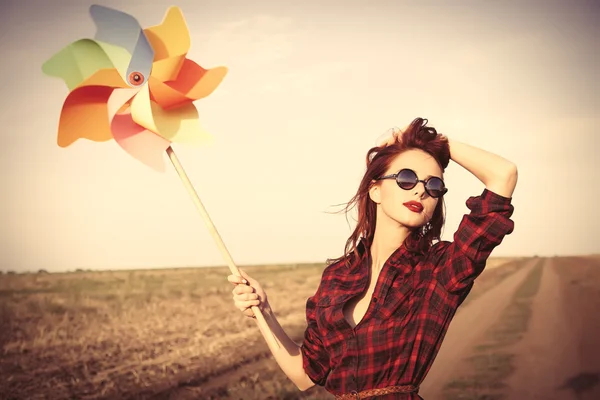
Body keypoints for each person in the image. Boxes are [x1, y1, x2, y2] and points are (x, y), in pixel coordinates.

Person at [228, 117, 517, 399]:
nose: (420, 189)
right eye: (406, 178)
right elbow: (304, 375)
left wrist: (436, 142)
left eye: (434, 186)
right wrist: (263, 312)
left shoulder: (441, 269)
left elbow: (503, 174)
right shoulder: (338, 276)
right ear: (375, 190)